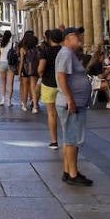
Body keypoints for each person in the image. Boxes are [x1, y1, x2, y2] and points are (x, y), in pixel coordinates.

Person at [54, 28, 93, 186]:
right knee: (72, 139)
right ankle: (72, 174)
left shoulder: (69, 54)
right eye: (78, 36)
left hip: (73, 102)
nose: (81, 38)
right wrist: (71, 99)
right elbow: (61, 76)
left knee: (69, 138)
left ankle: (67, 170)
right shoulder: (66, 53)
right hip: (71, 103)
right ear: (69, 38)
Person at [37, 29, 65, 143]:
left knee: (52, 114)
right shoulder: (64, 51)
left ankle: (54, 141)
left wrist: (40, 74)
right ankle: (67, 140)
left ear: (50, 39)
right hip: (63, 84)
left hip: (48, 84)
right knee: (63, 114)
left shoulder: (46, 51)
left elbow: (41, 68)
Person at [18, 31, 40, 112]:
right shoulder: (37, 49)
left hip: (25, 70)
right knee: (33, 88)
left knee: (25, 88)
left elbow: (22, 62)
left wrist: (19, 72)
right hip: (34, 70)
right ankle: (35, 106)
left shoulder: (23, 49)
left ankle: (24, 104)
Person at [1, 30, 17, 108]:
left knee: (3, 82)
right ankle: (9, 101)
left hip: (2, 63)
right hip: (10, 64)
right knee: (10, 83)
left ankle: (3, 99)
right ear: (10, 36)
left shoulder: (1, 44)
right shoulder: (13, 44)